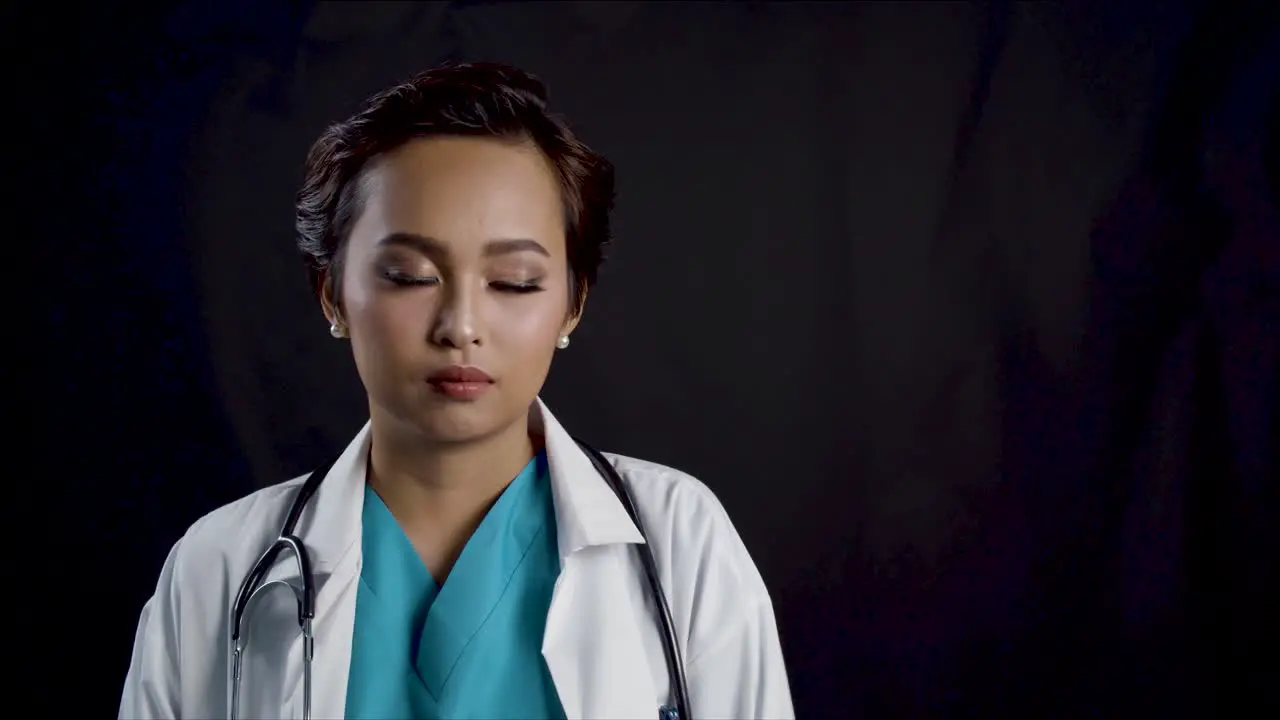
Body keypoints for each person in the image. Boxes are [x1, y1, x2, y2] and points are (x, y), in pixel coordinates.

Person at [118, 62, 793, 720]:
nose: (461, 326)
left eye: (515, 282)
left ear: (572, 304)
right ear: (333, 295)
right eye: (410, 275)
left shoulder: (680, 541)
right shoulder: (220, 566)